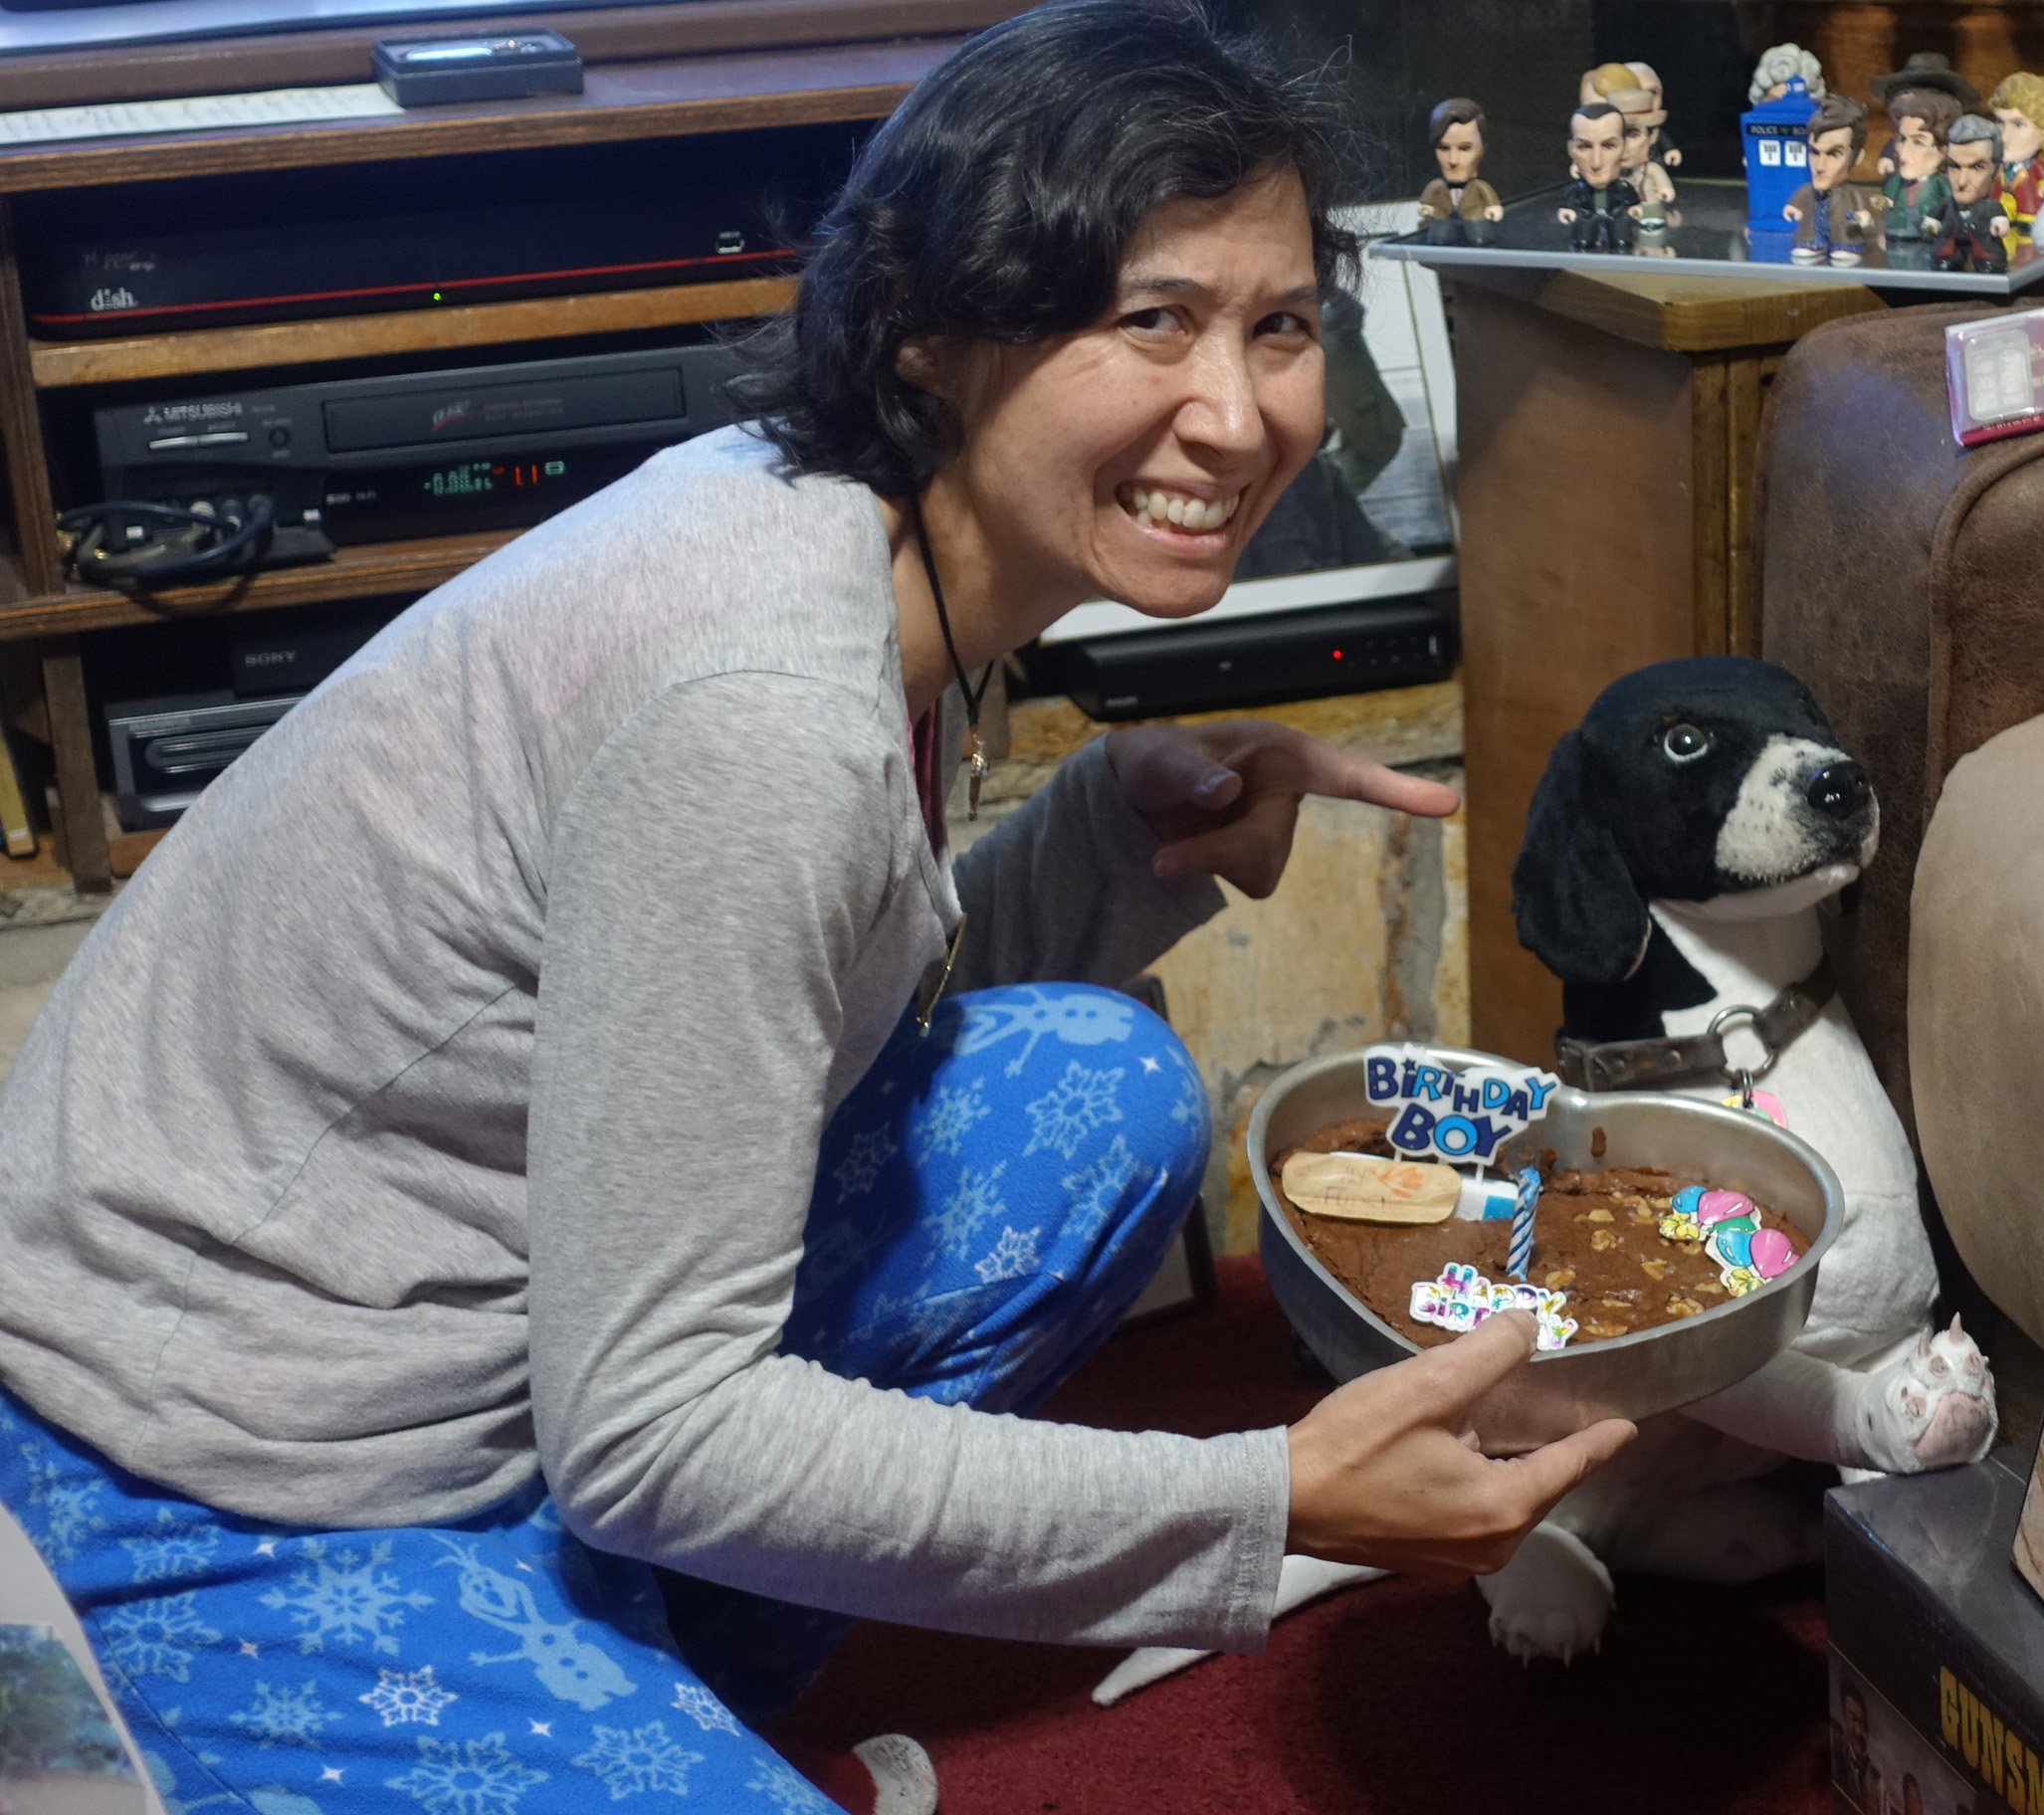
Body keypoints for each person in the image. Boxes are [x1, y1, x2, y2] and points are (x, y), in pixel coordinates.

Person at [0, 3, 1635, 1809]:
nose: (1238, 416)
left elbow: (797, 1028)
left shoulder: (853, 535)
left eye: (1281, 327)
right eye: (1148, 320)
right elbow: (653, 1427)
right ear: (929, 332)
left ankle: (648, 1667)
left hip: (502, 1359)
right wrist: (1267, 1499)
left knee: (1090, 1089)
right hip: (204, 1461)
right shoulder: (757, 704)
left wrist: (1105, 831)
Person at [1784, 96, 1881, 266]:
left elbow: (1871, 218)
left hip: (1843, 236)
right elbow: (1801, 196)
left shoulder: (1852, 194)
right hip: (1812, 234)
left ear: (1857, 157)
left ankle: (1844, 246)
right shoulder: (1809, 191)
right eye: (1814, 152)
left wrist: (1865, 219)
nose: (1820, 166)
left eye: (1834, 154)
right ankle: (1812, 244)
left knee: (1844, 243)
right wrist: (1793, 206)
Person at [1876, 87, 1959, 240]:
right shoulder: (1898, 182)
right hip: (1899, 233)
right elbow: (1887, 199)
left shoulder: (1941, 184)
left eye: (1918, 142)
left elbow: (1952, 205)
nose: (1903, 153)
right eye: (1902, 139)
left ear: (1943, 150)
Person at [1416, 97, 1503, 246]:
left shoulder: (1478, 187)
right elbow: (1426, 202)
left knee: (1480, 239)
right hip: (1443, 217)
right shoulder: (1437, 186)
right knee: (1438, 239)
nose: (1453, 160)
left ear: (1482, 149)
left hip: (1473, 217)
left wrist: (1493, 207)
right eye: (1443, 148)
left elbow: (1490, 200)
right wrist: (1426, 208)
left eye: (1465, 148)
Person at [1557, 102, 1642, 253]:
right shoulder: (1578, 189)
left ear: (1624, 147)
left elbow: (1630, 196)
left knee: (1622, 242)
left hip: (1616, 216)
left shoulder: (1621, 187)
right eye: (1584, 147)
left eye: (1608, 146)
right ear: (1570, 149)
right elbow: (1570, 198)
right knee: (1583, 242)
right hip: (1587, 217)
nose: (1596, 163)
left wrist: (1634, 206)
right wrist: (1567, 208)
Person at [1936, 114, 2016, 273]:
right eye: (1954, 167)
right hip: (1951, 249)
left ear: (1996, 171)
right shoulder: (1948, 204)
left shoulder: (1989, 206)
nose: (1961, 182)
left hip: (1985, 250)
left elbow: (1999, 217)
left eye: (1977, 168)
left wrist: (1999, 225)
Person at [1989, 71, 2044, 236]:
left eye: (2018, 124)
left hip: (2030, 222)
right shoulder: (1999, 168)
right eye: (1999, 122)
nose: (2004, 137)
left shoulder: (2036, 168)